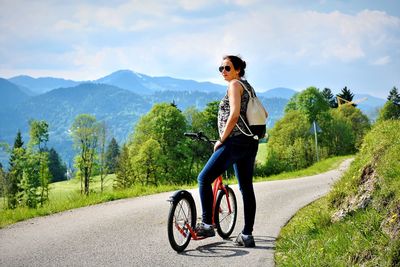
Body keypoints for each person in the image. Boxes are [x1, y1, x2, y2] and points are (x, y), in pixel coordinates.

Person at [195, 55, 268, 247]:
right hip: (250, 143)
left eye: (227, 68)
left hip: (235, 142)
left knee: (203, 178)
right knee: (246, 188)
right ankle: (246, 235)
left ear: (237, 70)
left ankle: (207, 224)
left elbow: (234, 114)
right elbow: (264, 113)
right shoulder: (248, 86)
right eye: (221, 68)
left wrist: (222, 139)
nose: (223, 71)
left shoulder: (234, 85)